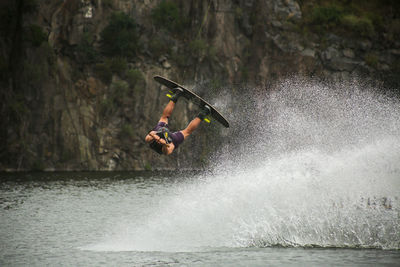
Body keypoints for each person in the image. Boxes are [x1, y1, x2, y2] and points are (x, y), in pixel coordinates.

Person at [145, 89, 211, 155]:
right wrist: (164, 144)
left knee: (187, 132)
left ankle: (204, 112)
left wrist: (155, 136)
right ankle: (176, 96)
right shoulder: (167, 146)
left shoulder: (154, 140)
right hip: (168, 139)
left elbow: (148, 137)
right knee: (165, 117)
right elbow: (166, 151)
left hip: (161, 132)